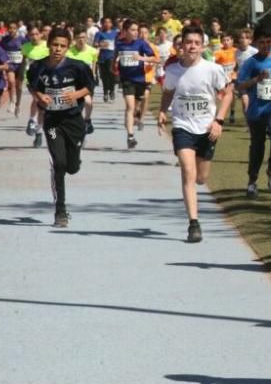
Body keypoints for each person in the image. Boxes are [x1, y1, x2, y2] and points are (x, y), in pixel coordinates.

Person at [158, 24, 233, 243]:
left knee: (201, 178)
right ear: (181, 45)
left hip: (206, 129)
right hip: (182, 126)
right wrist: (163, 111)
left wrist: (218, 120)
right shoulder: (172, 71)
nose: (192, 47)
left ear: (203, 46)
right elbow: (168, 92)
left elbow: (228, 94)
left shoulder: (212, 69)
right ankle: (193, 223)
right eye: (188, 42)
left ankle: (195, 212)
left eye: (196, 43)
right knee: (187, 172)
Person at [31, 27, 94, 227]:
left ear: (68, 48)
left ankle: (73, 161)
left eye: (62, 46)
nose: (58, 49)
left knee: (72, 167)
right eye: (55, 45)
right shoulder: (38, 67)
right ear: (49, 44)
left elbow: (89, 87)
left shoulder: (79, 67)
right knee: (59, 163)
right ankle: (60, 211)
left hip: (74, 120)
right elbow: (33, 87)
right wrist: (40, 97)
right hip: (52, 121)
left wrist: (75, 95)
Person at [235, 26, 271, 198]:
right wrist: (257, 79)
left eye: (269, 42)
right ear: (256, 43)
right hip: (257, 111)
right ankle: (252, 181)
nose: (266, 45)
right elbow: (240, 85)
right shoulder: (251, 63)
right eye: (262, 42)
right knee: (257, 147)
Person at [114, 19, 157, 149]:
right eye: (133, 30)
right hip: (127, 80)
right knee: (130, 107)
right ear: (125, 31)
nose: (136, 32)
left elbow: (155, 58)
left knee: (136, 106)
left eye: (136, 30)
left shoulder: (141, 44)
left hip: (140, 80)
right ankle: (130, 136)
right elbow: (115, 55)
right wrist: (114, 66)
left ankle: (135, 117)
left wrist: (141, 58)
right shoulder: (119, 43)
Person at [66, 26, 100, 134]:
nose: (81, 40)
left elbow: (94, 65)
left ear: (86, 38)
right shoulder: (68, 52)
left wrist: (94, 76)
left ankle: (87, 120)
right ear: (74, 39)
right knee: (76, 108)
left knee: (88, 102)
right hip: (73, 83)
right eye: (78, 38)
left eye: (83, 37)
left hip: (87, 83)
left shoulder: (93, 51)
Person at [22, 26, 51, 147]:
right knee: (36, 99)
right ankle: (32, 120)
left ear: (40, 35)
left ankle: (38, 133)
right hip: (31, 78)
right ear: (28, 36)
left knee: (43, 107)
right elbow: (23, 64)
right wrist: (22, 77)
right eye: (31, 34)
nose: (34, 36)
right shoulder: (25, 47)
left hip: (45, 79)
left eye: (36, 34)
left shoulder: (47, 46)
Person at [0, 22, 26, 116]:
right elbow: (0, 50)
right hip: (10, 65)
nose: (12, 30)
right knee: (11, 82)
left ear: (17, 29)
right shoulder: (4, 40)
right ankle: (12, 102)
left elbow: (27, 50)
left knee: (19, 86)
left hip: (20, 65)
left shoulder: (22, 39)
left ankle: (18, 104)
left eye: (14, 28)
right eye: (10, 28)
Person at [93, 17, 119, 102]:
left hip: (112, 57)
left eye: (109, 22)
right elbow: (95, 44)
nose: (107, 24)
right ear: (102, 24)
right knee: (104, 76)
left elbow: (119, 43)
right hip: (102, 58)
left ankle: (111, 90)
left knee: (111, 74)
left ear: (111, 24)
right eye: (105, 22)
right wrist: (100, 44)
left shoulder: (115, 33)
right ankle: (105, 92)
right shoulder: (99, 33)